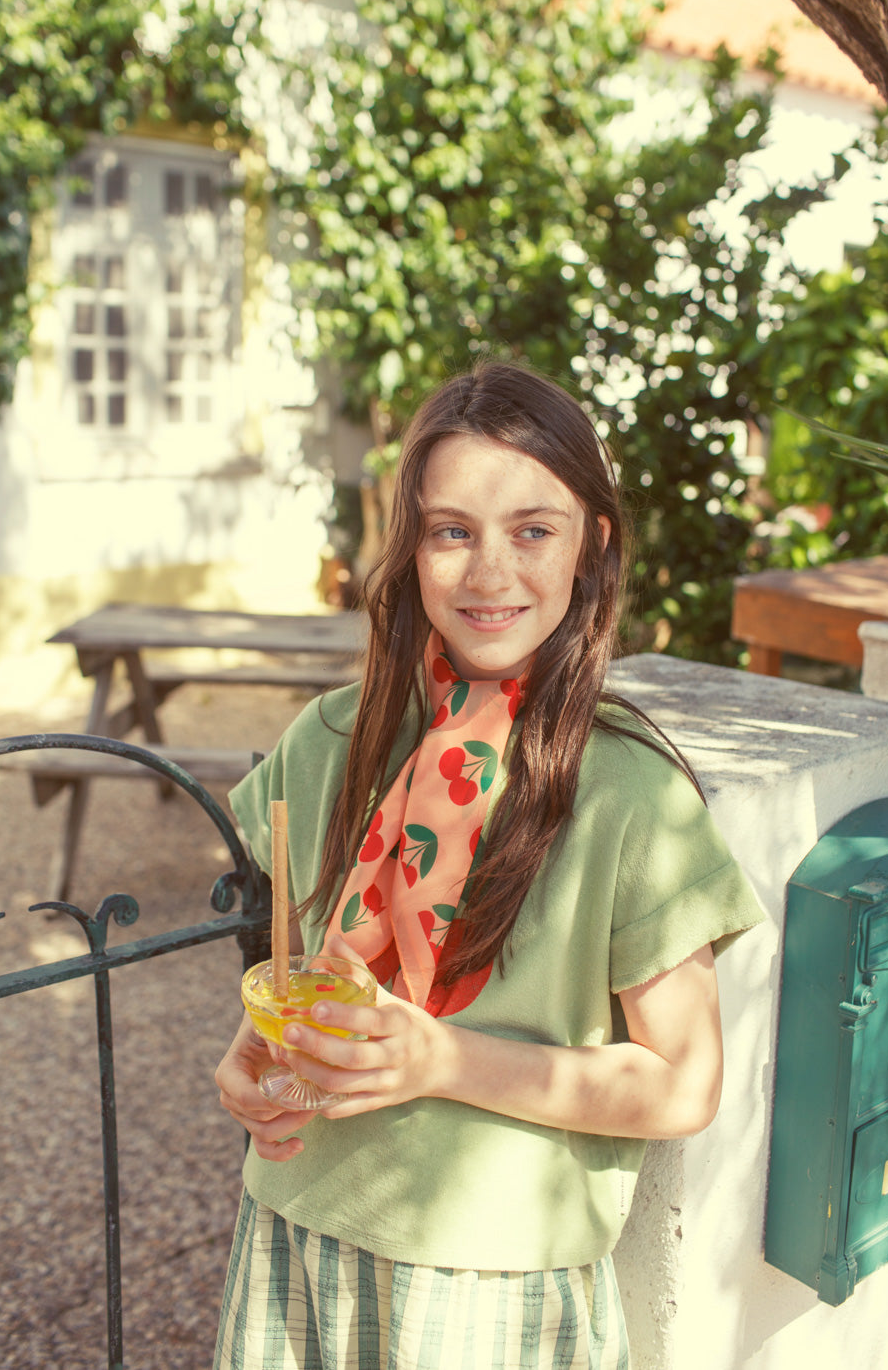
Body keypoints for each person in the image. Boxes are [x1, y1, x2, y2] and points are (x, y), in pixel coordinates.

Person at [213, 356, 763, 1370]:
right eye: (452, 531)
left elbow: (682, 1086)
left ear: (593, 546)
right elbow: (302, 976)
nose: (489, 573)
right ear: (410, 547)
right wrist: (253, 1052)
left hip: (491, 1290)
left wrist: (442, 1060)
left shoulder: (632, 796)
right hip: (296, 1230)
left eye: (533, 531)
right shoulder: (326, 740)